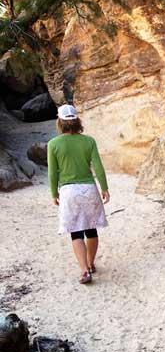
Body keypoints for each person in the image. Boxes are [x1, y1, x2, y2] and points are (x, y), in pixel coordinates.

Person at [47, 104, 110, 284]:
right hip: (89, 189)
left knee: (76, 232)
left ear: (59, 121)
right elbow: (98, 167)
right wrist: (104, 188)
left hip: (68, 191)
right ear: (77, 120)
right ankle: (91, 263)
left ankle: (84, 270)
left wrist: (53, 193)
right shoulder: (88, 141)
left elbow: (53, 173)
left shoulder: (53, 144)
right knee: (91, 229)